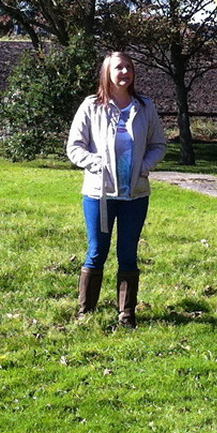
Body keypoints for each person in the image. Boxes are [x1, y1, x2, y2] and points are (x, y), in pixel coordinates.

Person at [66, 50, 167, 327]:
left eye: (129, 67)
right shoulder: (91, 106)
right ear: (107, 74)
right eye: (118, 68)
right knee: (97, 250)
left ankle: (126, 314)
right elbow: (74, 147)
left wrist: (144, 166)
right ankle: (86, 312)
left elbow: (159, 144)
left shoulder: (145, 107)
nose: (125, 72)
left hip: (135, 195)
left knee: (127, 252)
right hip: (99, 195)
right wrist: (94, 163)